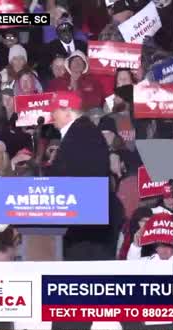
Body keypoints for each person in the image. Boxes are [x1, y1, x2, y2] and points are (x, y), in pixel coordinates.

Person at [47, 91, 112, 261]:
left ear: (68, 112)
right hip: (85, 221)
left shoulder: (81, 133)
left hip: (85, 225)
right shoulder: (82, 131)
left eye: (55, 110)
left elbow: (71, 175)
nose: (51, 115)